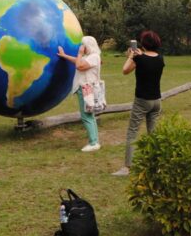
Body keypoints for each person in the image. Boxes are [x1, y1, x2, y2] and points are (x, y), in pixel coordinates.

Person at [113, 30, 164, 176]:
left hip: (142, 101)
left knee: (132, 133)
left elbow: (125, 70)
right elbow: (147, 61)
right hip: (157, 101)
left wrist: (131, 56)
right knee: (153, 135)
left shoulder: (139, 59)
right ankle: (156, 167)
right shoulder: (160, 59)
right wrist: (137, 56)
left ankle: (127, 168)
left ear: (144, 44)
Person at [57, 35, 102, 152]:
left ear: (88, 46)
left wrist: (80, 53)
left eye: (83, 45)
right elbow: (78, 61)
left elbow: (79, 65)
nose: (81, 47)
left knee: (86, 116)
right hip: (86, 89)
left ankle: (93, 143)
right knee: (90, 116)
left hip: (86, 89)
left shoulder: (93, 57)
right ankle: (95, 141)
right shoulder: (92, 56)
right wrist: (64, 56)